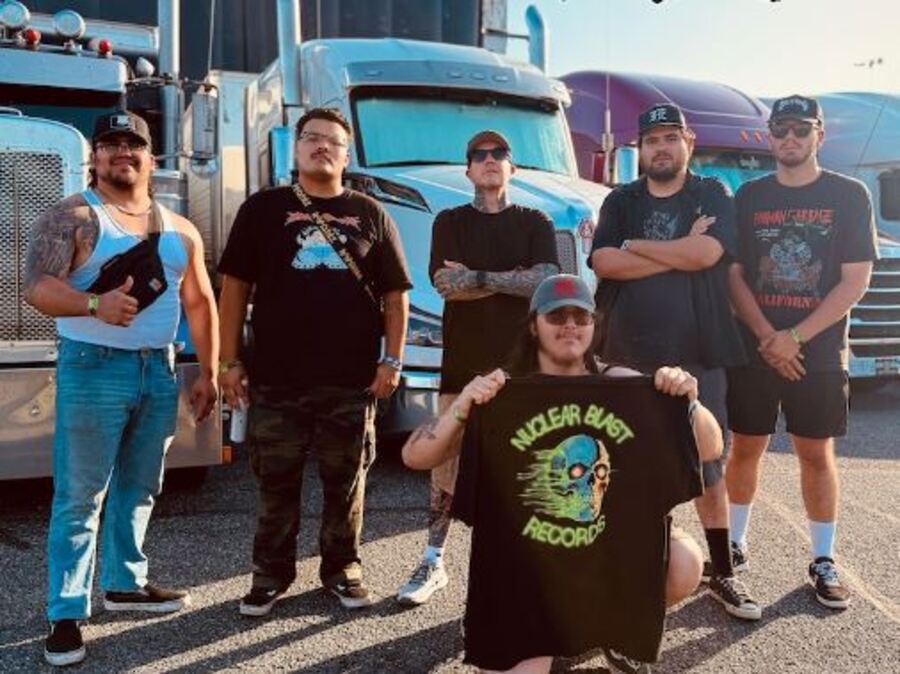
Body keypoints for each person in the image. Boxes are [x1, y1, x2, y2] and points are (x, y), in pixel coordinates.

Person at [403, 274, 720, 674]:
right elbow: (416, 456)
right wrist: (462, 407)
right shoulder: (504, 391)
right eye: (557, 316)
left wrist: (688, 400)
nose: (570, 325)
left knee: (685, 563)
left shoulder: (622, 385)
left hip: (607, 551)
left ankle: (610, 630)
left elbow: (712, 447)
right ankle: (512, 617)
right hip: (527, 566)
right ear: (534, 325)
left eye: (580, 316)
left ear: (593, 326)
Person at [24, 111, 219, 667]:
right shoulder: (71, 217)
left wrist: (209, 372)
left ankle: (124, 584)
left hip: (158, 370)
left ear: (151, 158)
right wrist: (94, 304)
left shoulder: (180, 229)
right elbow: (36, 287)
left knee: (140, 484)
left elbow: (200, 301)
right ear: (95, 157)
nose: (121, 153)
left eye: (132, 144)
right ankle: (66, 613)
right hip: (92, 367)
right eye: (110, 144)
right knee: (81, 495)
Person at [217, 107, 412, 616]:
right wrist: (227, 361)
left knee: (345, 482)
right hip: (275, 377)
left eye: (333, 141)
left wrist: (392, 360)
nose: (322, 146)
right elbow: (234, 288)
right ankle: (270, 574)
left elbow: (396, 296)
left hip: (351, 379)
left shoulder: (371, 214)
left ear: (346, 156)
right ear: (297, 148)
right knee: (275, 481)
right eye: (311, 138)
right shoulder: (262, 209)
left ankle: (342, 569)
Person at [589, 103, 760, 621]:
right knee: (621, 464)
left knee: (708, 464)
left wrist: (638, 246)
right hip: (625, 353)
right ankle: (621, 567)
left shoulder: (711, 192)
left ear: (688, 141)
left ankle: (723, 572)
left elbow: (706, 256)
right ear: (640, 148)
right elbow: (604, 262)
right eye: (651, 140)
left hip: (699, 352)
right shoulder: (621, 199)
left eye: (669, 137)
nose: (660, 148)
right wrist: (680, 246)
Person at [726, 95, 877, 610]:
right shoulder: (749, 196)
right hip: (755, 346)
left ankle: (823, 558)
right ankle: (733, 544)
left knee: (815, 453)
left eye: (801, 129)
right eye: (781, 129)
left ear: (819, 135)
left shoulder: (849, 195)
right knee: (746, 446)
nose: (790, 138)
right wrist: (769, 336)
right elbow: (734, 275)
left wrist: (796, 337)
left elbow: (855, 281)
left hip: (819, 350)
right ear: (769, 136)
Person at [396, 130, 559, 605]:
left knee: (527, 464)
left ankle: (531, 563)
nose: (490, 159)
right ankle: (433, 559)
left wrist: (479, 277)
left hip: (523, 367)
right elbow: (446, 284)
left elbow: (546, 282)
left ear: (512, 167)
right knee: (446, 460)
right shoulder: (449, 221)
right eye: (479, 155)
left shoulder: (535, 221)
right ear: (468, 170)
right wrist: (511, 279)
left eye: (499, 153)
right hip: (463, 364)